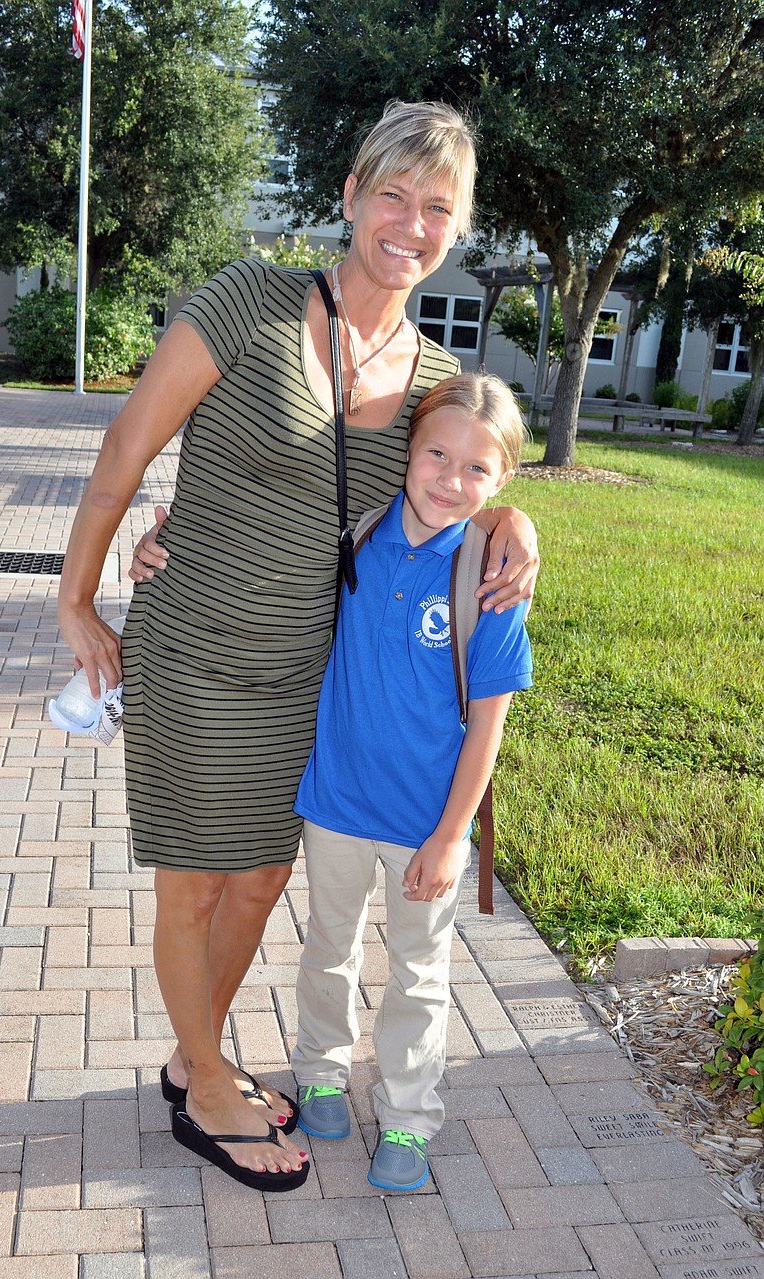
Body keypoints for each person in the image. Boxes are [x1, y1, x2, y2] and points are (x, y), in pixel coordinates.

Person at [57, 99, 539, 1193]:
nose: (409, 223)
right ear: (350, 197)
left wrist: (518, 523)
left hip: (306, 673)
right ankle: (211, 1090)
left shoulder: (427, 379)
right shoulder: (251, 302)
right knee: (192, 884)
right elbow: (128, 447)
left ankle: (195, 1054)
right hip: (190, 647)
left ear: (454, 231)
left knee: (263, 878)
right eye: (392, 195)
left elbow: (459, 488)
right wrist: (76, 597)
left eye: (436, 208)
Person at [291, 371, 532, 1191]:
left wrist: (450, 835)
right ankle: (320, 1071)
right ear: (409, 451)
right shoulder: (354, 538)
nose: (451, 479)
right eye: (437, 453)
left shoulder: (490, 582)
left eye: (477, 469)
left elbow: (489, 724)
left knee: (419, 975)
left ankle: (406, 1114)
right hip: (334, 803)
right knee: (328, 947)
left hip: (423, 825)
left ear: (502, 482)